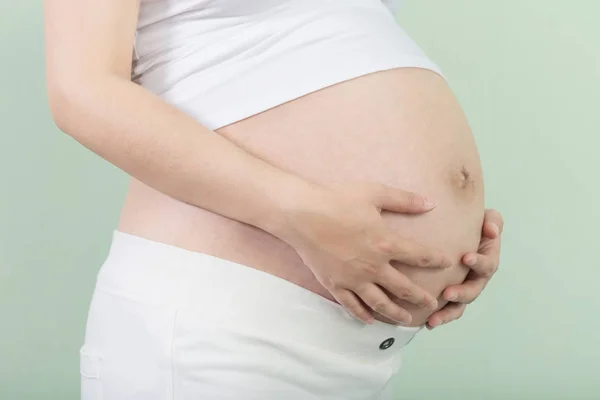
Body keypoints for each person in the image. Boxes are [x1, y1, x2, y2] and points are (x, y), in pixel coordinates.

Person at [43, 0, 504, 399]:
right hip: (223, 331)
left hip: (365, 347)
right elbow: (82, 91)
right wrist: (300, 213)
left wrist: (447, 245)